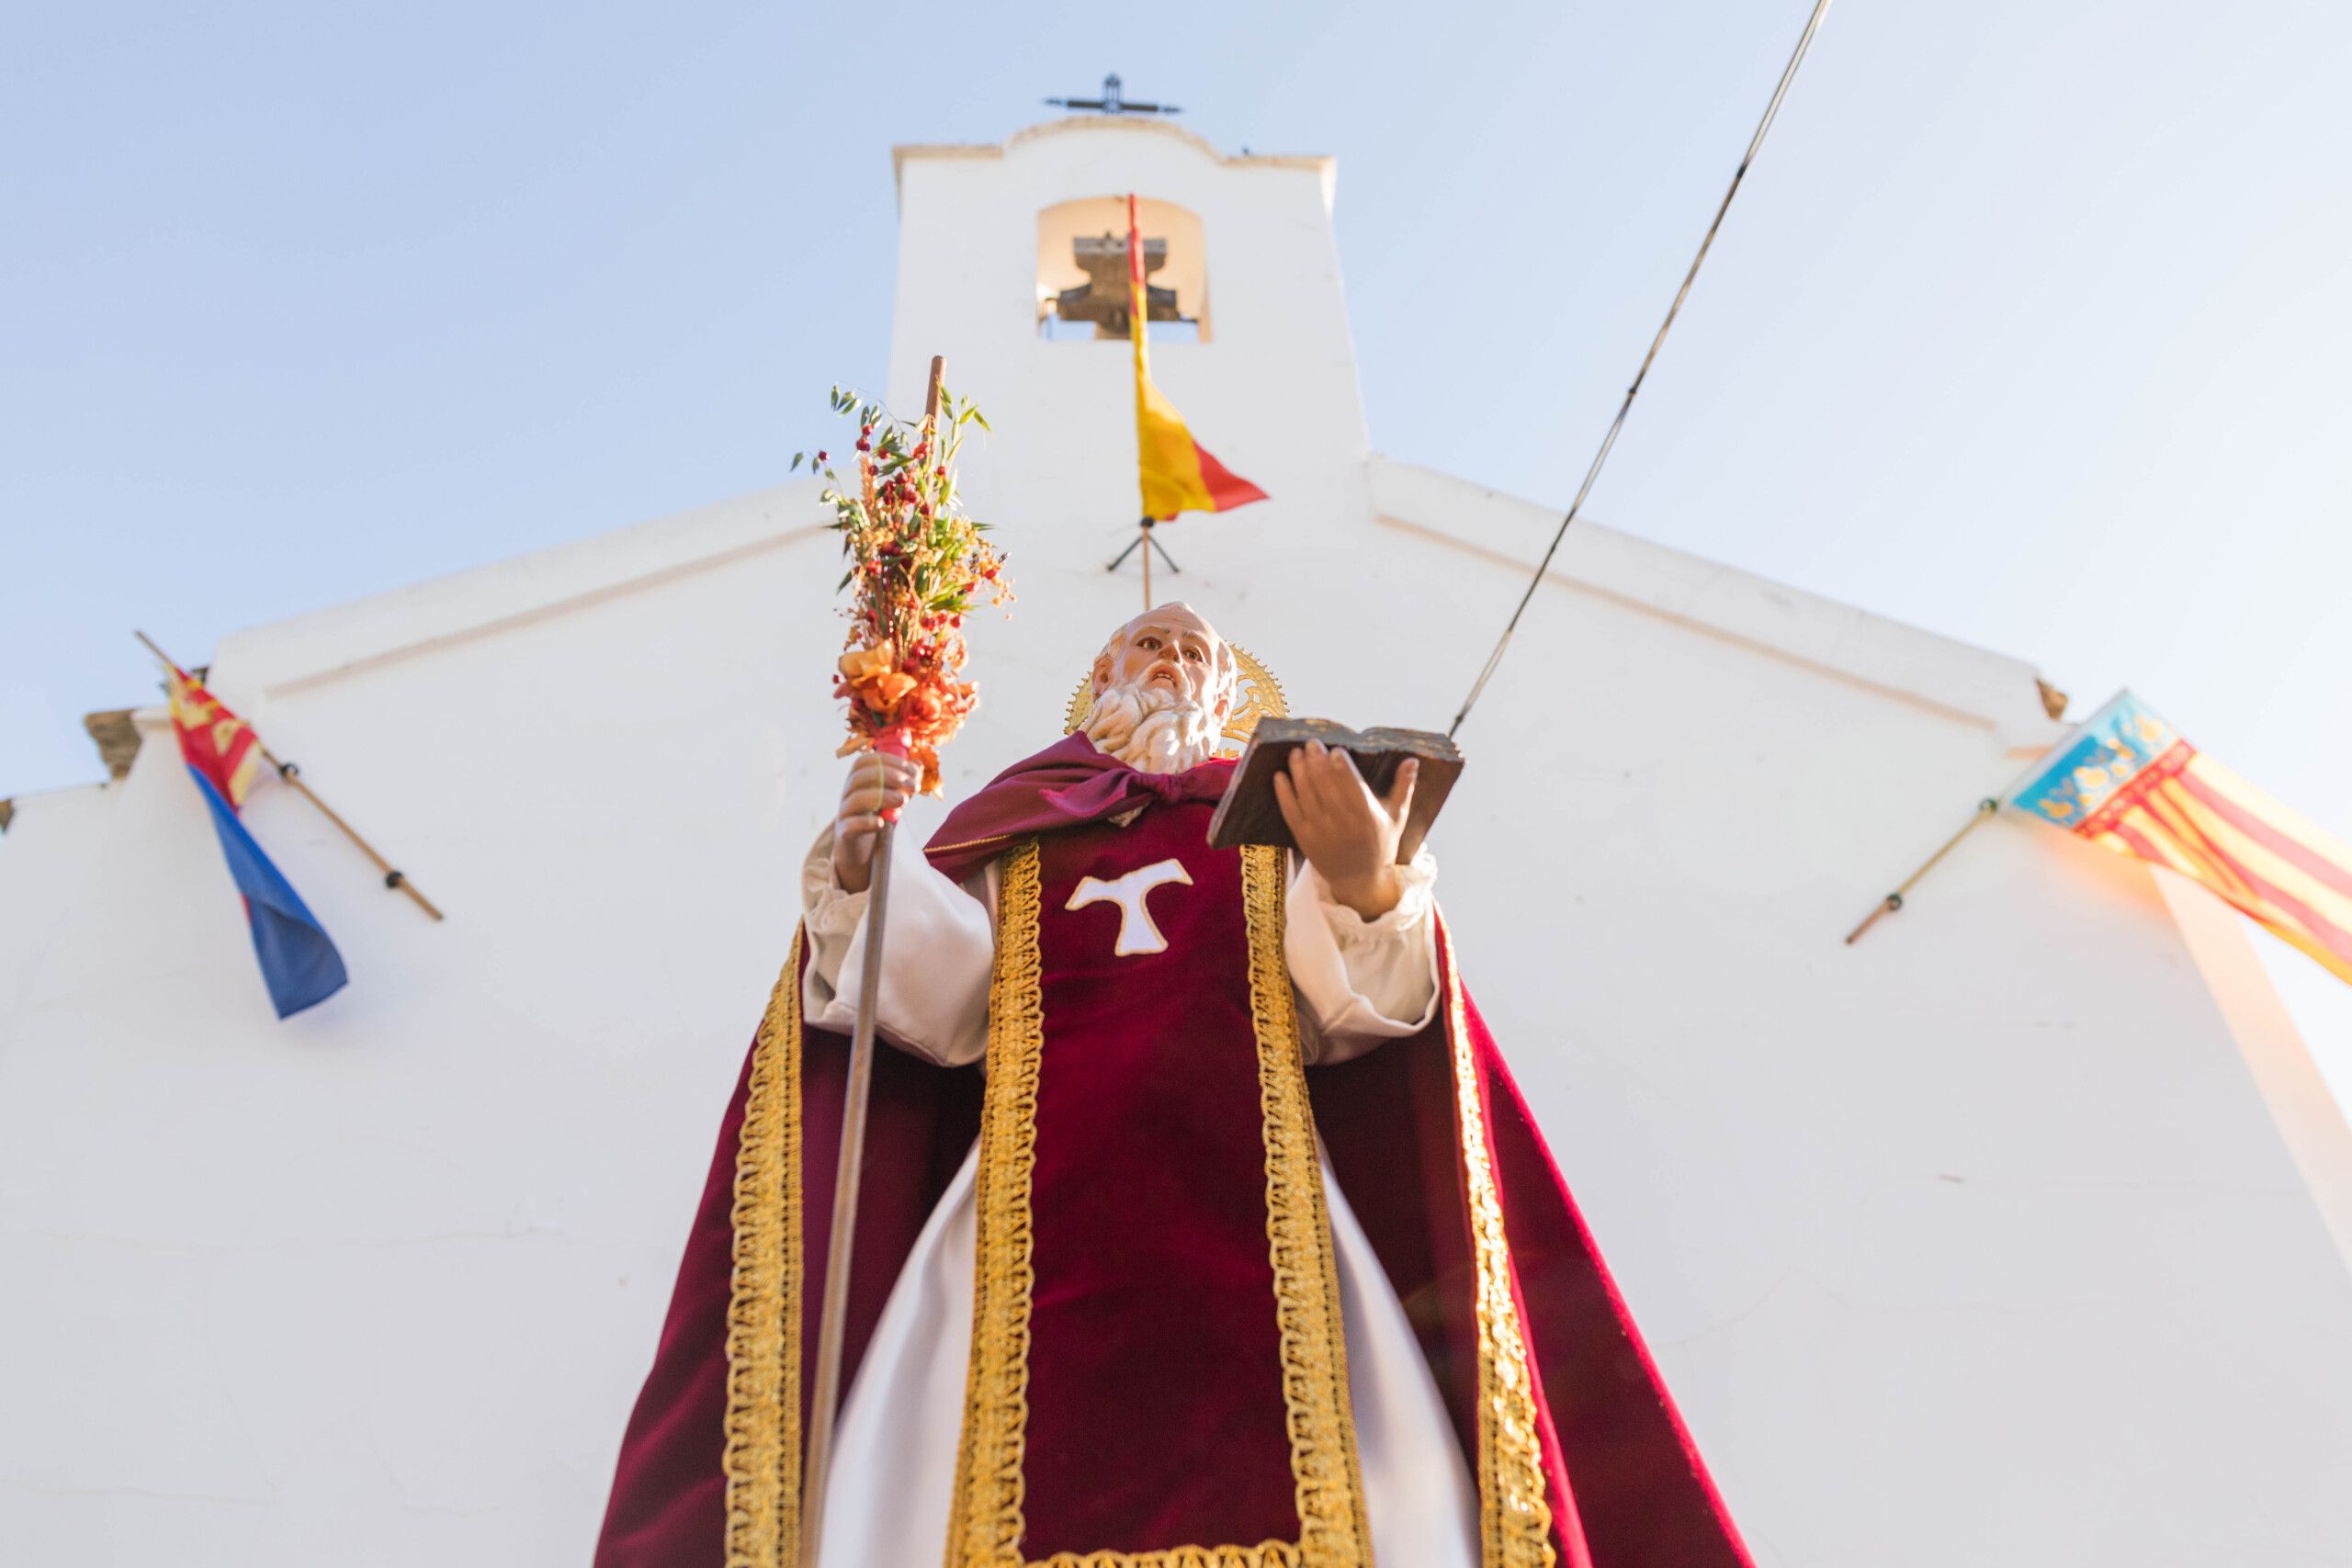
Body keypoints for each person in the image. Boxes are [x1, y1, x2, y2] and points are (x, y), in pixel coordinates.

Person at [596, 604, 1752, 1568]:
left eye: (1197, 651)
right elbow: (937, 1011)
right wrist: (864, 871)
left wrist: (1363, 877)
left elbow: (1361, 1009)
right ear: (1100, 678)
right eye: (1148, 644)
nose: (1172, 662)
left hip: (1273, 1227)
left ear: (1230, 691)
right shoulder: (1011, 823)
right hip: (1017, 1234)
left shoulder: (1275, 825)